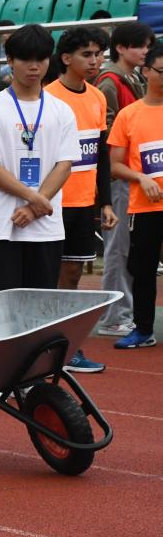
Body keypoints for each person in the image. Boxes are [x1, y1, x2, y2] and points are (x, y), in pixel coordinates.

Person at [0, 25, 79, 296]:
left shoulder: (62, 111)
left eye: (41, 59)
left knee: (41, 308)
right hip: (0, 227)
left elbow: (64, 165)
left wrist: (33, 208)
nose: (34, 67)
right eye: (25, 59)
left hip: (45, 228)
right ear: (9, 60)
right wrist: (35, 199)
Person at [45, 27, 115, 372]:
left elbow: (100, 153)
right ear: (65, 58)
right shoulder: (48, 97)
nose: (95, 60)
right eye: (87, 54)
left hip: (84, 203)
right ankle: (42, 347)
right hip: (51, 203)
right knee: (45, 278)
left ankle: (67, 347)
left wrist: (106, 202)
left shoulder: (97, 97)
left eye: (99, 54)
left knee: (72, 273)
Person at [96, 21, 154, 337]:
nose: (145, 51)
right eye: (139, 45)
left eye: (147, 46)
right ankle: (114, 314)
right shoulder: (110, 82)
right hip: (120, 175)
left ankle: (123, 311)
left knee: (130, 248)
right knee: (118, 247)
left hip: (135, 175)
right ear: (120, 47)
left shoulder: (134, 79)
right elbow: (108, 136)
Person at [107, 43, 163, 350]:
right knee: (142, 270)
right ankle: (143, 329)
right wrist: (141, 177)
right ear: (146, 70)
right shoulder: (129, 115)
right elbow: (115, 165)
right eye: (162, 71)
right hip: (144, 207)